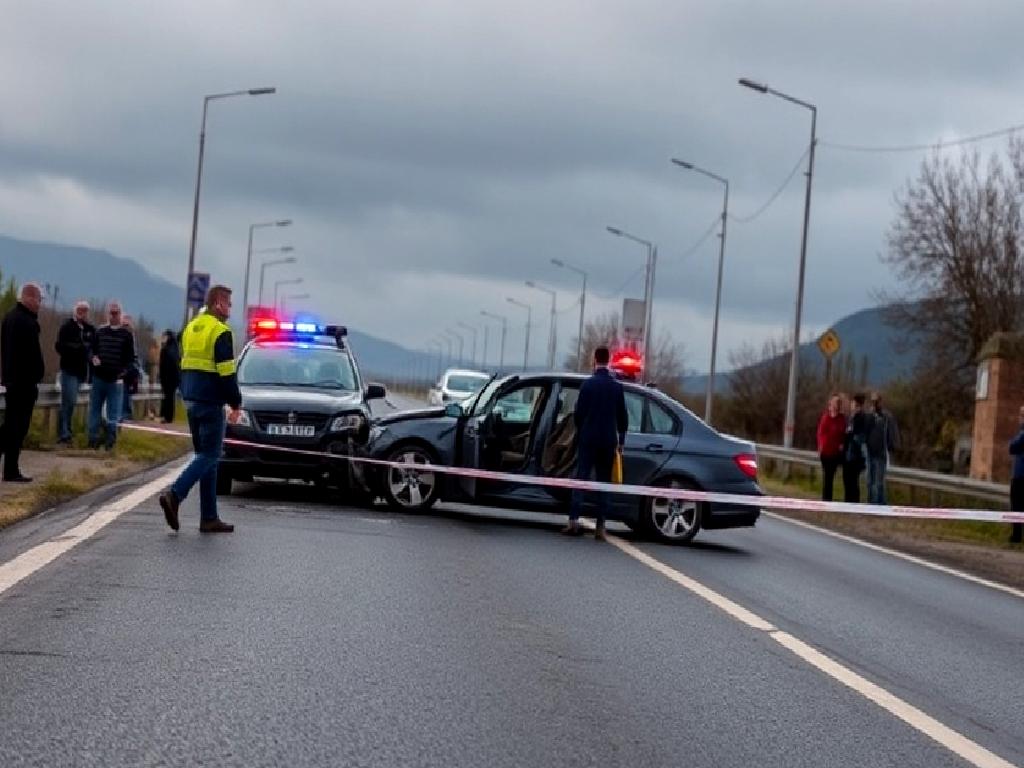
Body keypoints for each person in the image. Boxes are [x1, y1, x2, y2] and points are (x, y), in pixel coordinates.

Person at [159, 286, 242, 534]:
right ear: (218, 303)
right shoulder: (220, 331)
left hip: (191, 401)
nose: (230, 308)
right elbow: (227, 373)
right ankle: (175, 495)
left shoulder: (192, 328)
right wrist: (235, 403)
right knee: (210, 455)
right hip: (211, 402)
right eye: (228, 303)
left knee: (207, 459)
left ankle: (209, 517)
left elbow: (185, 363)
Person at [562, 346, 628, 541]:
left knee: (581, 478)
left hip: (589, 439)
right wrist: (621, 440)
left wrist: (581, 431)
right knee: (604, 483)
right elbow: (622, 417)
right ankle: (600, 526)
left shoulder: (588, 385)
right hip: (608, 441)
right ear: (608, 361)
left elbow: (579, 413)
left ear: (594, 359)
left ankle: (573, 521)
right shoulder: (616, 387)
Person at [0, 284, 45, 482]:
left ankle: (11, 469)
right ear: (29, 297)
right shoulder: (26, 322)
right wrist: (37, 374)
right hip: (23, 383)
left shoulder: (9, 318)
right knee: (16, 428)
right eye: (39, 299)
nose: (40, 304)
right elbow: (32, 355)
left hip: (11, 380)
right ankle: (10, 470)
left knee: (12, 426)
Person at [88, 301, 135, 450]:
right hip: (99, 377)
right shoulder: (100, 332)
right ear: (107, 314)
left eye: (116, 313)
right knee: (95, 409)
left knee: (113, 412)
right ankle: (93, 439)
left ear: (120, 315)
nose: (113, 316)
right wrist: (93, 358)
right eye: (111, 313)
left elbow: (130, 358)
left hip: (115, 379)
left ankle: (110, 440)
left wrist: (124, 373)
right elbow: (91, 350)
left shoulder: (126, 335)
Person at [54, 301, 96, 445]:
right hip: (68, 369)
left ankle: (66, 431)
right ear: (75, 311)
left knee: (71, 403)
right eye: (80, 310)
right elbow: (59, 346)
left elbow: (93, 349)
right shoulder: (67, 327)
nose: (82, 313)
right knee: (69, 400)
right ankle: (64, 433)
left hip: (81, 371)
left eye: (85, 310)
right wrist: (77, 348)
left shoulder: (90, 329)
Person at [866, 392, 900, 505]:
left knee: (879, 482)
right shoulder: (868, 415)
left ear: (880, 402)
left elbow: (892, 432)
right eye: (873, 401)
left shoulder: (886, 417)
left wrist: (893, 446)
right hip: (869, 452)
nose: (875, 404)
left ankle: (881, 504)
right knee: (870, 481)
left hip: (881, 453)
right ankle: (871, 503)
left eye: (877, 401)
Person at [816, 394, 846, 502]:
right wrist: (821, 445)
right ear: (830, 404)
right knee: (827, 476)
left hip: (836, 452)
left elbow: (843, 433)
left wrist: (841, 444)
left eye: (838, 403)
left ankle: (829, 498)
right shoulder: (826, 418)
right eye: (834, 403)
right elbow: (820, 433)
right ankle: (826, 498)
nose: (836, 405)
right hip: (825, 451)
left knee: (831, 475)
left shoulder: (841, 419)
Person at [842, 393, 870, 503]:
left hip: (855, 455)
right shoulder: (851, 418)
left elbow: (860, 437)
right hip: (848, 454)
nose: (851, 405)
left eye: (853, 403)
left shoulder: (861, 418)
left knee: (853, 481)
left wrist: (850, 434)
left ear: (858, 405)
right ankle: (848, 502)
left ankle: (854, 503)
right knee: (847, 480)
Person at [1008, 404, 1024, 544]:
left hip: (1020, 476)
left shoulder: (1023, 433)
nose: (1019, 418)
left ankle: (1017, 536)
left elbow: (1012, 447)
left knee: (1017, 505)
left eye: (1022, 415)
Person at [119, 314, 140, 422]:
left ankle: (125, 413)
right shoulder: (125, 335)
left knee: (126, 391)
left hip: (128, 367)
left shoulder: (131, 336)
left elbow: (134, 354)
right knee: (125, 391)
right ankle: (124, 413)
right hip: (123, 366)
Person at [158, 330, 180, 424]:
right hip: (174, 378)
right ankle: (169, 416)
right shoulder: (176, 350)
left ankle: (166, 416)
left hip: (167, 377)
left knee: (167, 397)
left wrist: (161, 376)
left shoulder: (165, 350)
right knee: (171, 397)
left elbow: (162, 365)